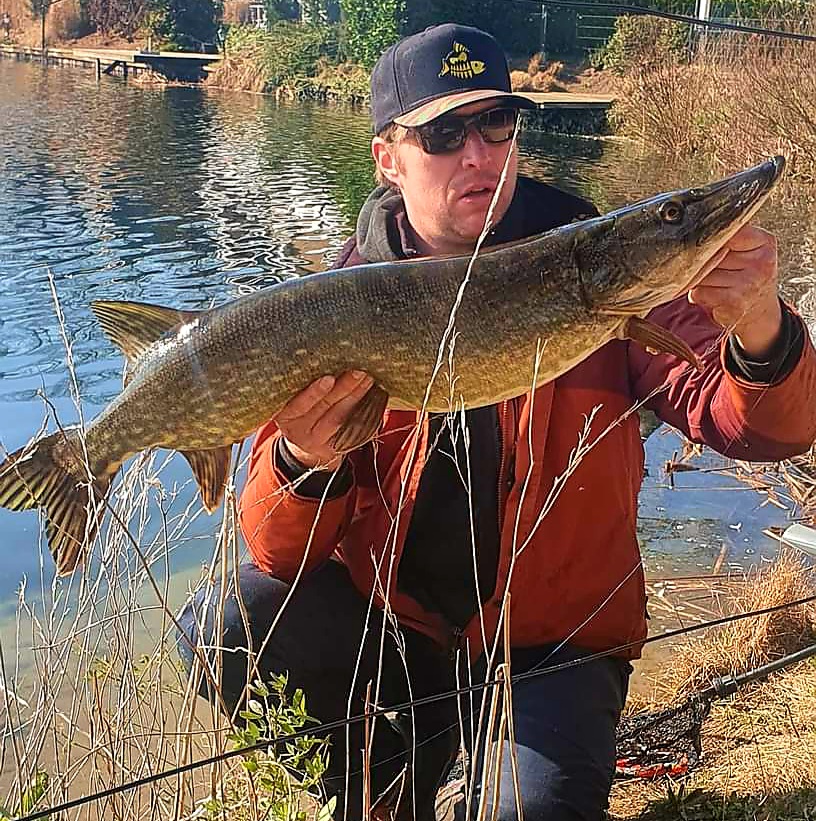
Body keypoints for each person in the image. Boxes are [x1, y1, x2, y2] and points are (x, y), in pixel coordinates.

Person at [178, 22, 816, 821]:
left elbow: (767, 430)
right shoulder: (336, 303)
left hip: (556, 643)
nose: (478, 152)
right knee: (229, 622)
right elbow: (278, 550)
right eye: (445, 132)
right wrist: (308, 457)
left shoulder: (608, 267)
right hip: (402, 635)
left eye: (497, 122)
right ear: (389, 157)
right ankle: (389, 785)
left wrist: (760, 327)